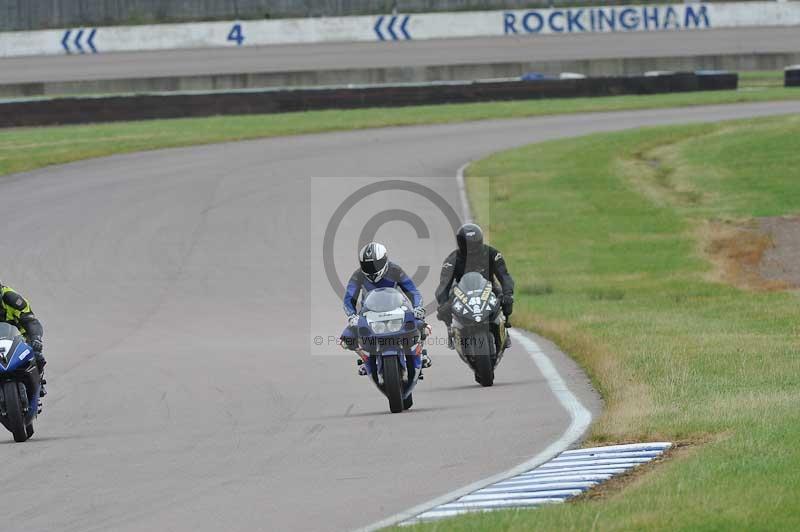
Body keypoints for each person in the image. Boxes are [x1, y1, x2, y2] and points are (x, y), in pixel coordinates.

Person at [340, 242, 431, 375]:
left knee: (422, 326)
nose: (371, 269)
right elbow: (348, 298)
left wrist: (418, 308)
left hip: (396, 309)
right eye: (367, 265)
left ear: (384, 260)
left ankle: (418, 355)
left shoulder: (395, 270)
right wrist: (352, 316)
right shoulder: (358, 275)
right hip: (369, 314)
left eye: (375, 264)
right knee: (347, 338)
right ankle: (367, 360)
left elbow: (412, 291)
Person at [435, 223, 515, 348]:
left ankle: (503, 326)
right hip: (461, 290)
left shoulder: (492, 254)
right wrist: (443, 303)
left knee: (506, 299)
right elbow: (444, 284)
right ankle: (451, 330)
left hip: (489, 287)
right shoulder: (452, 260)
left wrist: (508, 294)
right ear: (461, 244)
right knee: (444, 308)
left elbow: (504, 276)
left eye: (475, 244)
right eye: (468, 245)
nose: (471, 249)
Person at [0, 281, 46, 396]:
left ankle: (39, 384)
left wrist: (36, 339)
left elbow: (31, 321)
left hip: (18, 340)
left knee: (37, 356)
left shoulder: (12, 299)